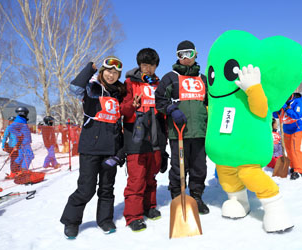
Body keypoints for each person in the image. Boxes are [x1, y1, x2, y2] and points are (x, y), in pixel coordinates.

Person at [60, 56, 126, 239]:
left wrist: (120, 151)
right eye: (108, 71)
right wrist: (90, 69)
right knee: (86, 188)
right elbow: (74, 88)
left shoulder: (118, 93)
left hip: (111, 149)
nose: (111, 75)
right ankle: (71, 222)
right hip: (91, 147)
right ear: (102, 72)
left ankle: (104, 220)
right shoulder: (92, 89)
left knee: (107, 188)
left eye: (115, 72)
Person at [109, 48, 167, 232]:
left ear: (156, 66)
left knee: (151, 175)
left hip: (156, 138)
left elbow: (164, 111)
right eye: (144, 65)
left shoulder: (159, 85)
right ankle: (133, 216)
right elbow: (123, 111)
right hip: (136, 138)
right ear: (139, 65)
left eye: (150, 65)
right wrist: (132, 105)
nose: (147, 69)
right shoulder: (130, 83)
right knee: (137, 179)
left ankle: (149, 207)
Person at [155, 40, 209, 214]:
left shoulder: (203, 79)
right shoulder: (170, 77)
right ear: (177, 57)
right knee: (179, 166)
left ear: (196, 54)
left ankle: (196, 196)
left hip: (200, 130)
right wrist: (171, 109)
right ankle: (178, 196)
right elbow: (159, 100)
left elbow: (211, 102)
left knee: (199, 166)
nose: (186, 58)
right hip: (178, 131)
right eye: (181, 55)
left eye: (189, 54)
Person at [273, 93, 302, 180]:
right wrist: (276, 107)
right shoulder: (283, 101)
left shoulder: (298, 102)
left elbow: (297, 115)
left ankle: (299, 170)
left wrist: (286, 108)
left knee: (295, 149)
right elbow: (276, 115)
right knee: (289, 149)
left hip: (297, 128)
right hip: (287, 129)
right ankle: (293, 166)